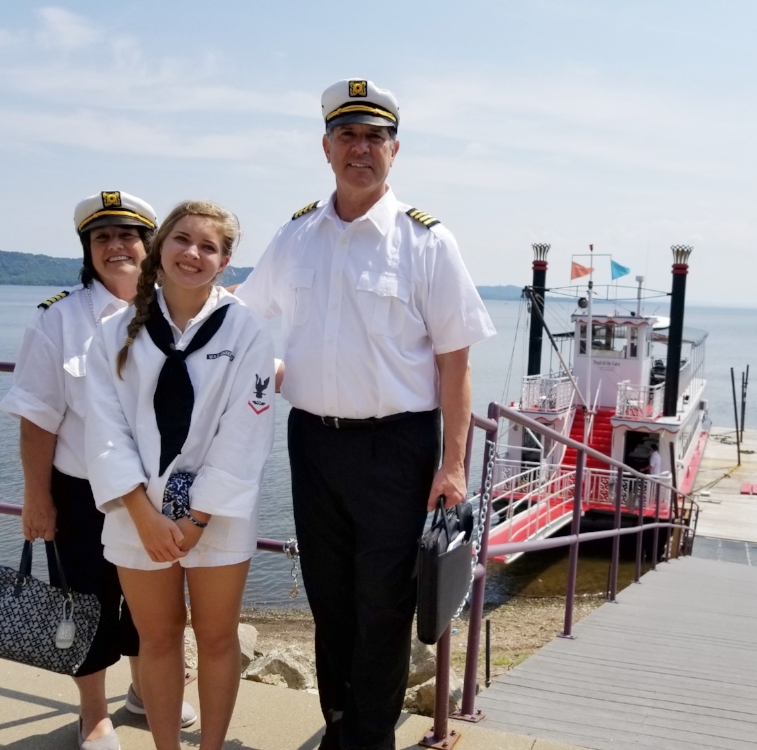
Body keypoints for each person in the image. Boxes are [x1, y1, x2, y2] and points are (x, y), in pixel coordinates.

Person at [236, 78, 495, 750]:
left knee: (384, 602)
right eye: (348, 136)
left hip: (398, 446)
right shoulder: (296, 236)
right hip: (314, 444)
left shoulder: (429, 243)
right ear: (326, 148)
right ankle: (341, 723)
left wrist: (455, 465)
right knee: (329, 596)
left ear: (395, 150)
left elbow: (455, 365)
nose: (361, 149)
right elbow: (239, 314)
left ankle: (372, 736)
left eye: (374, 137)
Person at [0, 191, 196, 750]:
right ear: (88, 250)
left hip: (156, 491)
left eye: (128, 235)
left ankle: (143, 691)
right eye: (102, 237)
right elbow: (37, 419)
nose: (116, 247)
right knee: (84, 600)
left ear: (149, 245)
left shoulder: (176, 310)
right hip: (83, 489)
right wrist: (36, 498)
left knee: (152, 600)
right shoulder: (58, 320)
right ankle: (94, 714)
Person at [85, 201, 275, 750]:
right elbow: (105, 430)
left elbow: (245, 434)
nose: (193, 253)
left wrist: (194, 517)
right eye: (182, 239)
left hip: (215, 514)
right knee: (158, 638)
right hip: (136, 513)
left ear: (225, 262)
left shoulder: (246, 332)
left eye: (208, 247)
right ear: (160, 247)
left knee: (217, 640)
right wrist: (145, 516)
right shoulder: (115, 332)